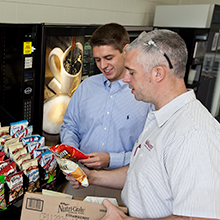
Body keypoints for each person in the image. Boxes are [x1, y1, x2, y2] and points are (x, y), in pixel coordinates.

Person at [65, 29, 220, 220]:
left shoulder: (195, 134)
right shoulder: (159, 116)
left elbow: (204, 218)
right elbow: (142, 172)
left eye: (132, 72)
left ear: (158, 73)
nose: (125, 79)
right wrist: (92, 177)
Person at [60, 23, 151, 170]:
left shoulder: (145, 95)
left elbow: (149, 150)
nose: (103, 65)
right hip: (81, 174)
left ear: (126, 51)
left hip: (122, 179)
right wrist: (72, 152)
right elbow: (70, 127)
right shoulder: (86, 86)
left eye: (109, 57)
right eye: (97, 59)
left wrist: (112, 159)